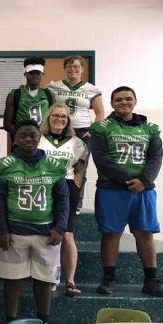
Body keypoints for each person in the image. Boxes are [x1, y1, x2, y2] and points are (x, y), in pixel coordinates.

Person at [0, 119, 68, 324]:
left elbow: (63, 198)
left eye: (32, 135)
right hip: (15, 232)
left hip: (46, 232)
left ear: (39, 137)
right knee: (12, 279)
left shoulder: (53, 165)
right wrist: (1, 229)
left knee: (44, 279)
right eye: (23, 135)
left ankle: (43, 322)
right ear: (15, 139)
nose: (28, 139)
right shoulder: (5, 165)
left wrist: (60, 226)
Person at [90, 86, 163, 298]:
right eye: (118, 100)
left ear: (135, 101)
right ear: (112, 103)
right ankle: (109, 278)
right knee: (111, 233)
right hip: (112, 189)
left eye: (128, 99)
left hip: (143, 190)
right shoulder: (101, 127)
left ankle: (151, 280)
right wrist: (126, 180)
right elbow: (101, 159)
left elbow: (156, 157)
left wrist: (144, 180)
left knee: (145, 233)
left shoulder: (150, 128)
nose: (124, 103)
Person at [38, 104, 88, 297]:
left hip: (66, 188)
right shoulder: (39, 139)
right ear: (48, 118)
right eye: (56, 116)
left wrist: (75, 186)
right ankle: (51, 278)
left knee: (67, 234)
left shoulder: (76, 142)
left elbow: (80, 167)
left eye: (64, 117)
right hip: (43, 186)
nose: (60, 119)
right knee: (50, 233)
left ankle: (70, 280)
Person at [47, 55, 104, 212]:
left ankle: (76, 202)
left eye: (76, 66)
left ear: (82, 69)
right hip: (61, 130)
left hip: (82, 131)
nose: (73, 69)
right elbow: (47, 108)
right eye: (69, 66)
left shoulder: (91, 89)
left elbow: (100, 113)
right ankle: (53, 198)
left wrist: (92, 130)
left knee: (80, 168)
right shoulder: (54, 86)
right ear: (64, 69)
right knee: (56, 163)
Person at [3, 57, 54, 136]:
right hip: (22, 140)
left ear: (42, 75)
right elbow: (7, 124)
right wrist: (20, 133)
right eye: (31, 73)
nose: (34, 76)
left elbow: (53, 119)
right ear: (25, 74)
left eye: (37, 73)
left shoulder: (49, 94)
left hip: (44, 139)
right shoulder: (15, 95)